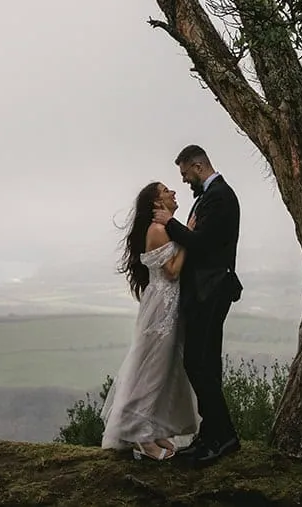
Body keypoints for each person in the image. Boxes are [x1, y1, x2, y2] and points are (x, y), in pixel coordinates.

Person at [155, 144, 242, 467]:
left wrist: (170, 221)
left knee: (198, 362)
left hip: (211, 291)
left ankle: (223, 437)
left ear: (197, 166)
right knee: (205, 363)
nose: (184, 180)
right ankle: (214, 434)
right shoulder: (211, 195)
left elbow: (201, 243)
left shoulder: (219, 196)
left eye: (185, 173)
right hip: (206, 291)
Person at [100, 181, 200, 460]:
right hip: (161, 309)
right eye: (166, 191)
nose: (173, 193)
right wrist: (188, 236)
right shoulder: (157, 231)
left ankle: (154, 429)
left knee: (167, 368)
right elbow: (171, 272)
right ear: (157, 203)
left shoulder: (165, 228)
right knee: (153, 368)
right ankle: (139, 436)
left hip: (168, 306)